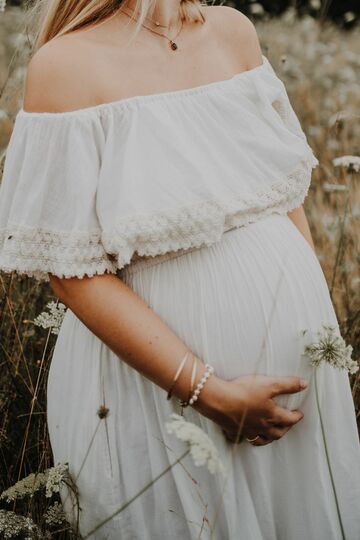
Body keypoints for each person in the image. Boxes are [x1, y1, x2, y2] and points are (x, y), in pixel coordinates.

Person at [0, 1, 359, 538]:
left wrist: (316, 342)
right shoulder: (66, 65)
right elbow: (73, 275)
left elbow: (286, 195)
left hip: (296, 399)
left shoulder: (234, 32)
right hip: (154, 399)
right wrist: (210, 393)